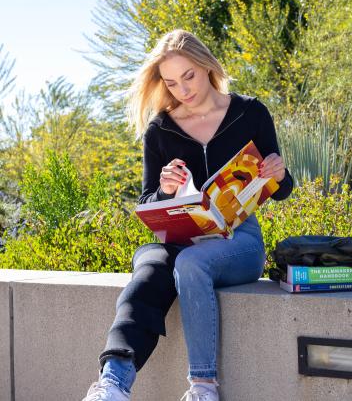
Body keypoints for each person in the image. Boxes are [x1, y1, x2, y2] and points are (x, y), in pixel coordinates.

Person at [83, 29, 293, 401]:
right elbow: (147, 202)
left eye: (189, 76)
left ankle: (203, 388)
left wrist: (279, 174)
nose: (182, 89)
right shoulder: (160, 131)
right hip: (180, 239)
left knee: (191, 264)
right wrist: (164, 189)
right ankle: (112, 384)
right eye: (171, 82)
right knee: (147, 268)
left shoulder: (251, 113)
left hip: (239, 242)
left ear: (205, 65)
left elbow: (282, 189)